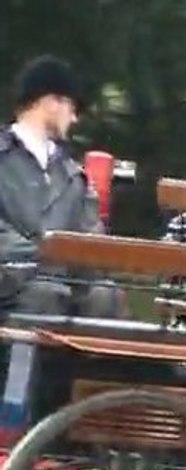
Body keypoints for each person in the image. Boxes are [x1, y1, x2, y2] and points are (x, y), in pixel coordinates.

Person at [0, 55, 124, 316]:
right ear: (50, 102)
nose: (75, 119)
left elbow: (90, 240)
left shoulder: (72, 177)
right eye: (71, 107)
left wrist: (97, 265)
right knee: (46, 295)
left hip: (61, 284)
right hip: (9, 281)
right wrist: (44, 254)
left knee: (106, 297)